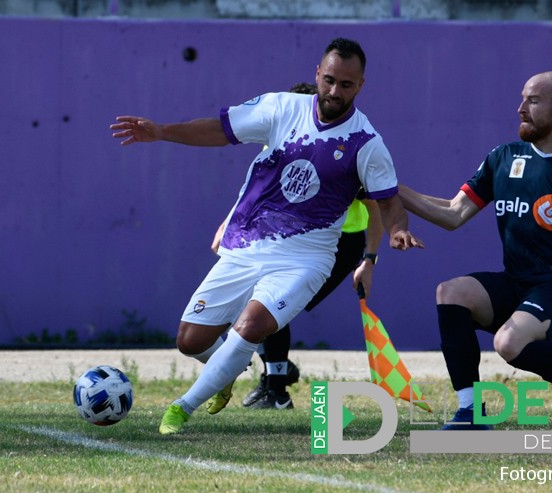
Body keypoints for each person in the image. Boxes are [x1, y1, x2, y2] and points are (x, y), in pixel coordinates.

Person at [110, 37, 423, 435]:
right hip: (247, 245)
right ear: (317, 74)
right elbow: (219, 131)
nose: (334, 91)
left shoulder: (366, 143)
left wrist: (397, 232)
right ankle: (224, 375)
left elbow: (389, 201)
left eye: (346, 84)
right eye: (329, 80)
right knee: (190, 341)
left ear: (361, 85)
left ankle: (182, 407)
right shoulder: (280, 108)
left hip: (306, 258)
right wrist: (161, 132)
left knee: (252, 326)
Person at [397, 71, 552, 430]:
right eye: (522, 99)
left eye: (532, 101)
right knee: (451, 293)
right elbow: (453, 213)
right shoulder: (503, 158)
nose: (520, 108)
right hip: (517, 283)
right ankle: (470, 412)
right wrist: (390, 187)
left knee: (507, 343)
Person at [206, 82, 385, 410]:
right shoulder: (281, 141)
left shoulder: (337, 151)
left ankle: (276, 388)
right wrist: (227, 224)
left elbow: (375, 209)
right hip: (285, 236)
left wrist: (369, 259)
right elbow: (254, 193)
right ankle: (276, 375)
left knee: (272, 303)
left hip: (336, 244)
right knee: (261, 302)